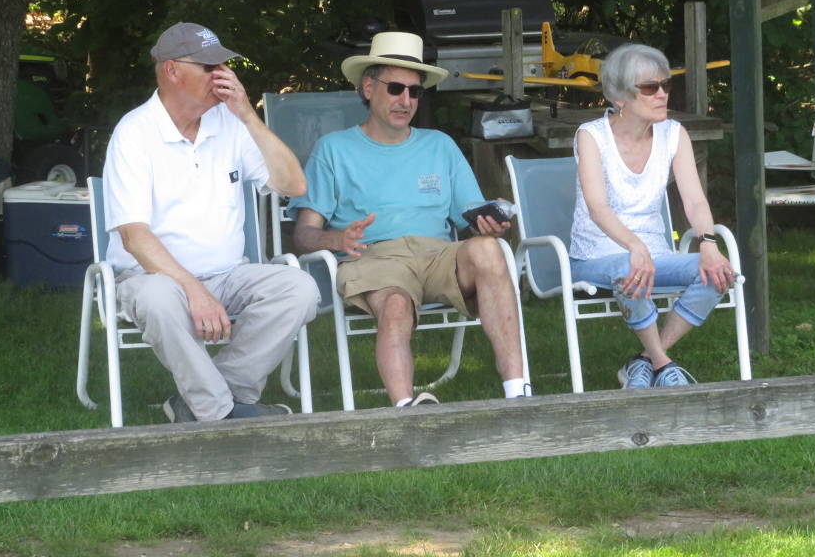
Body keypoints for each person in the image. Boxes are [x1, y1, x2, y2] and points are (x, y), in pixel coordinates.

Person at [289, 31, 530, 407]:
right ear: (369, 88)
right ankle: (407, 409)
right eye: (396, 88)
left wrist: (489, 224)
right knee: (396, 303)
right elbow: (303, 234)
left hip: (437, 256)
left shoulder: (439, 145)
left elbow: (469, 220)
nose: (405, 100)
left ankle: (519, 394)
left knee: (490, 250)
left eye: (414, 92)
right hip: (373, 256)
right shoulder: (333, 149)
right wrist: (337, 241)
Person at [103, 22, 320, 423]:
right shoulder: (134, 134)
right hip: (155, 276)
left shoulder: (230, 124)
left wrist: (248, 117)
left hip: (226, 274)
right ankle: (221, 412)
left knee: (298, 288)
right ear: (171, 71)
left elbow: (295, 184)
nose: (221, 75)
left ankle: (209, 401)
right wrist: (193, 290)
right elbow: (134, 237)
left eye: (223, 65)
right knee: (156, 299)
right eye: (208, 67)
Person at [568, 43, 737, 389]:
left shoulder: (674, 134)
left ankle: (645, 361)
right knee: (630, 266)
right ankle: (663, 363)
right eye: (649, 88)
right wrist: (633, 246)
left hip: (654, 257)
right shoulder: (591, 136)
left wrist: (707, 243)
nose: (662, 94)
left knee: (720, 271)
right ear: (619, 97)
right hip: (593, 258)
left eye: (665, 85)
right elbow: (598, 207)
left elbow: (694, 201)